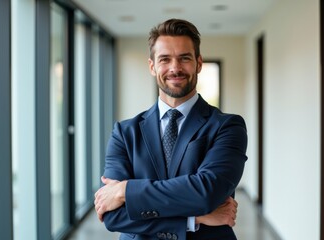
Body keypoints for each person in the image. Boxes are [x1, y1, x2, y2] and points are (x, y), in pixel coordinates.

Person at [94, 18, 248, 240]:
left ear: (199, 63)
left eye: (184, 58)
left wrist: (125, 190)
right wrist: (194, 219)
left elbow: (205, 193)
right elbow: (113, 216)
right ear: (152, 66)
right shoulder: (124, 133)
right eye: (165, 59)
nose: (175, 68)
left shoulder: (227, 126)